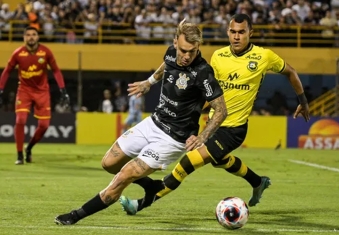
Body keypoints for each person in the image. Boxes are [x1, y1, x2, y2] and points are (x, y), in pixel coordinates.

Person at [119, 14, 310, 215]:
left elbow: (291, 72)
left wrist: (303, 101)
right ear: (228, 32)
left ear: (250, 33)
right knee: (220, 160)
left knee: (187, 163)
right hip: (213, 123)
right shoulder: (218, 56)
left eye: (241, 32)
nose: (236, 37)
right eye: (233, 32)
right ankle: (257, 181)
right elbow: (209, 91)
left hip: (234, 129)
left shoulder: (264, 56)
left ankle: (140, 204)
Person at [54, 20, 227, 225]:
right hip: (153, 122)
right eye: (183, 50)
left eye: (193, 51)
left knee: (124, 176)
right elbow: (166, 65)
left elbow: (221, 109)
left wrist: (202, 137)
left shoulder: (203, 72)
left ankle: (75, 216)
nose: (187, 56)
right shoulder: (171, 52)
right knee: (109, 163)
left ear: (198, 48)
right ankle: (151, 186)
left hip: (173, 139)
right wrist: (149, 82)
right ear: (175, 43)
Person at [0, 26, 70, 165]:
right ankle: (19, 155)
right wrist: (1, 88)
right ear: (24, 37)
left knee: (44, 125)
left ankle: (29, 148)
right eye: (28, 35)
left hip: (42, 91)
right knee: (20, 120)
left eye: (33, 34)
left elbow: (56, 70)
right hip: (24, 90)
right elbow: (7, 71)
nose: (31, 37)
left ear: (37, 37)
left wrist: (63, 89)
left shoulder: (45, 52)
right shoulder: (18, 53)